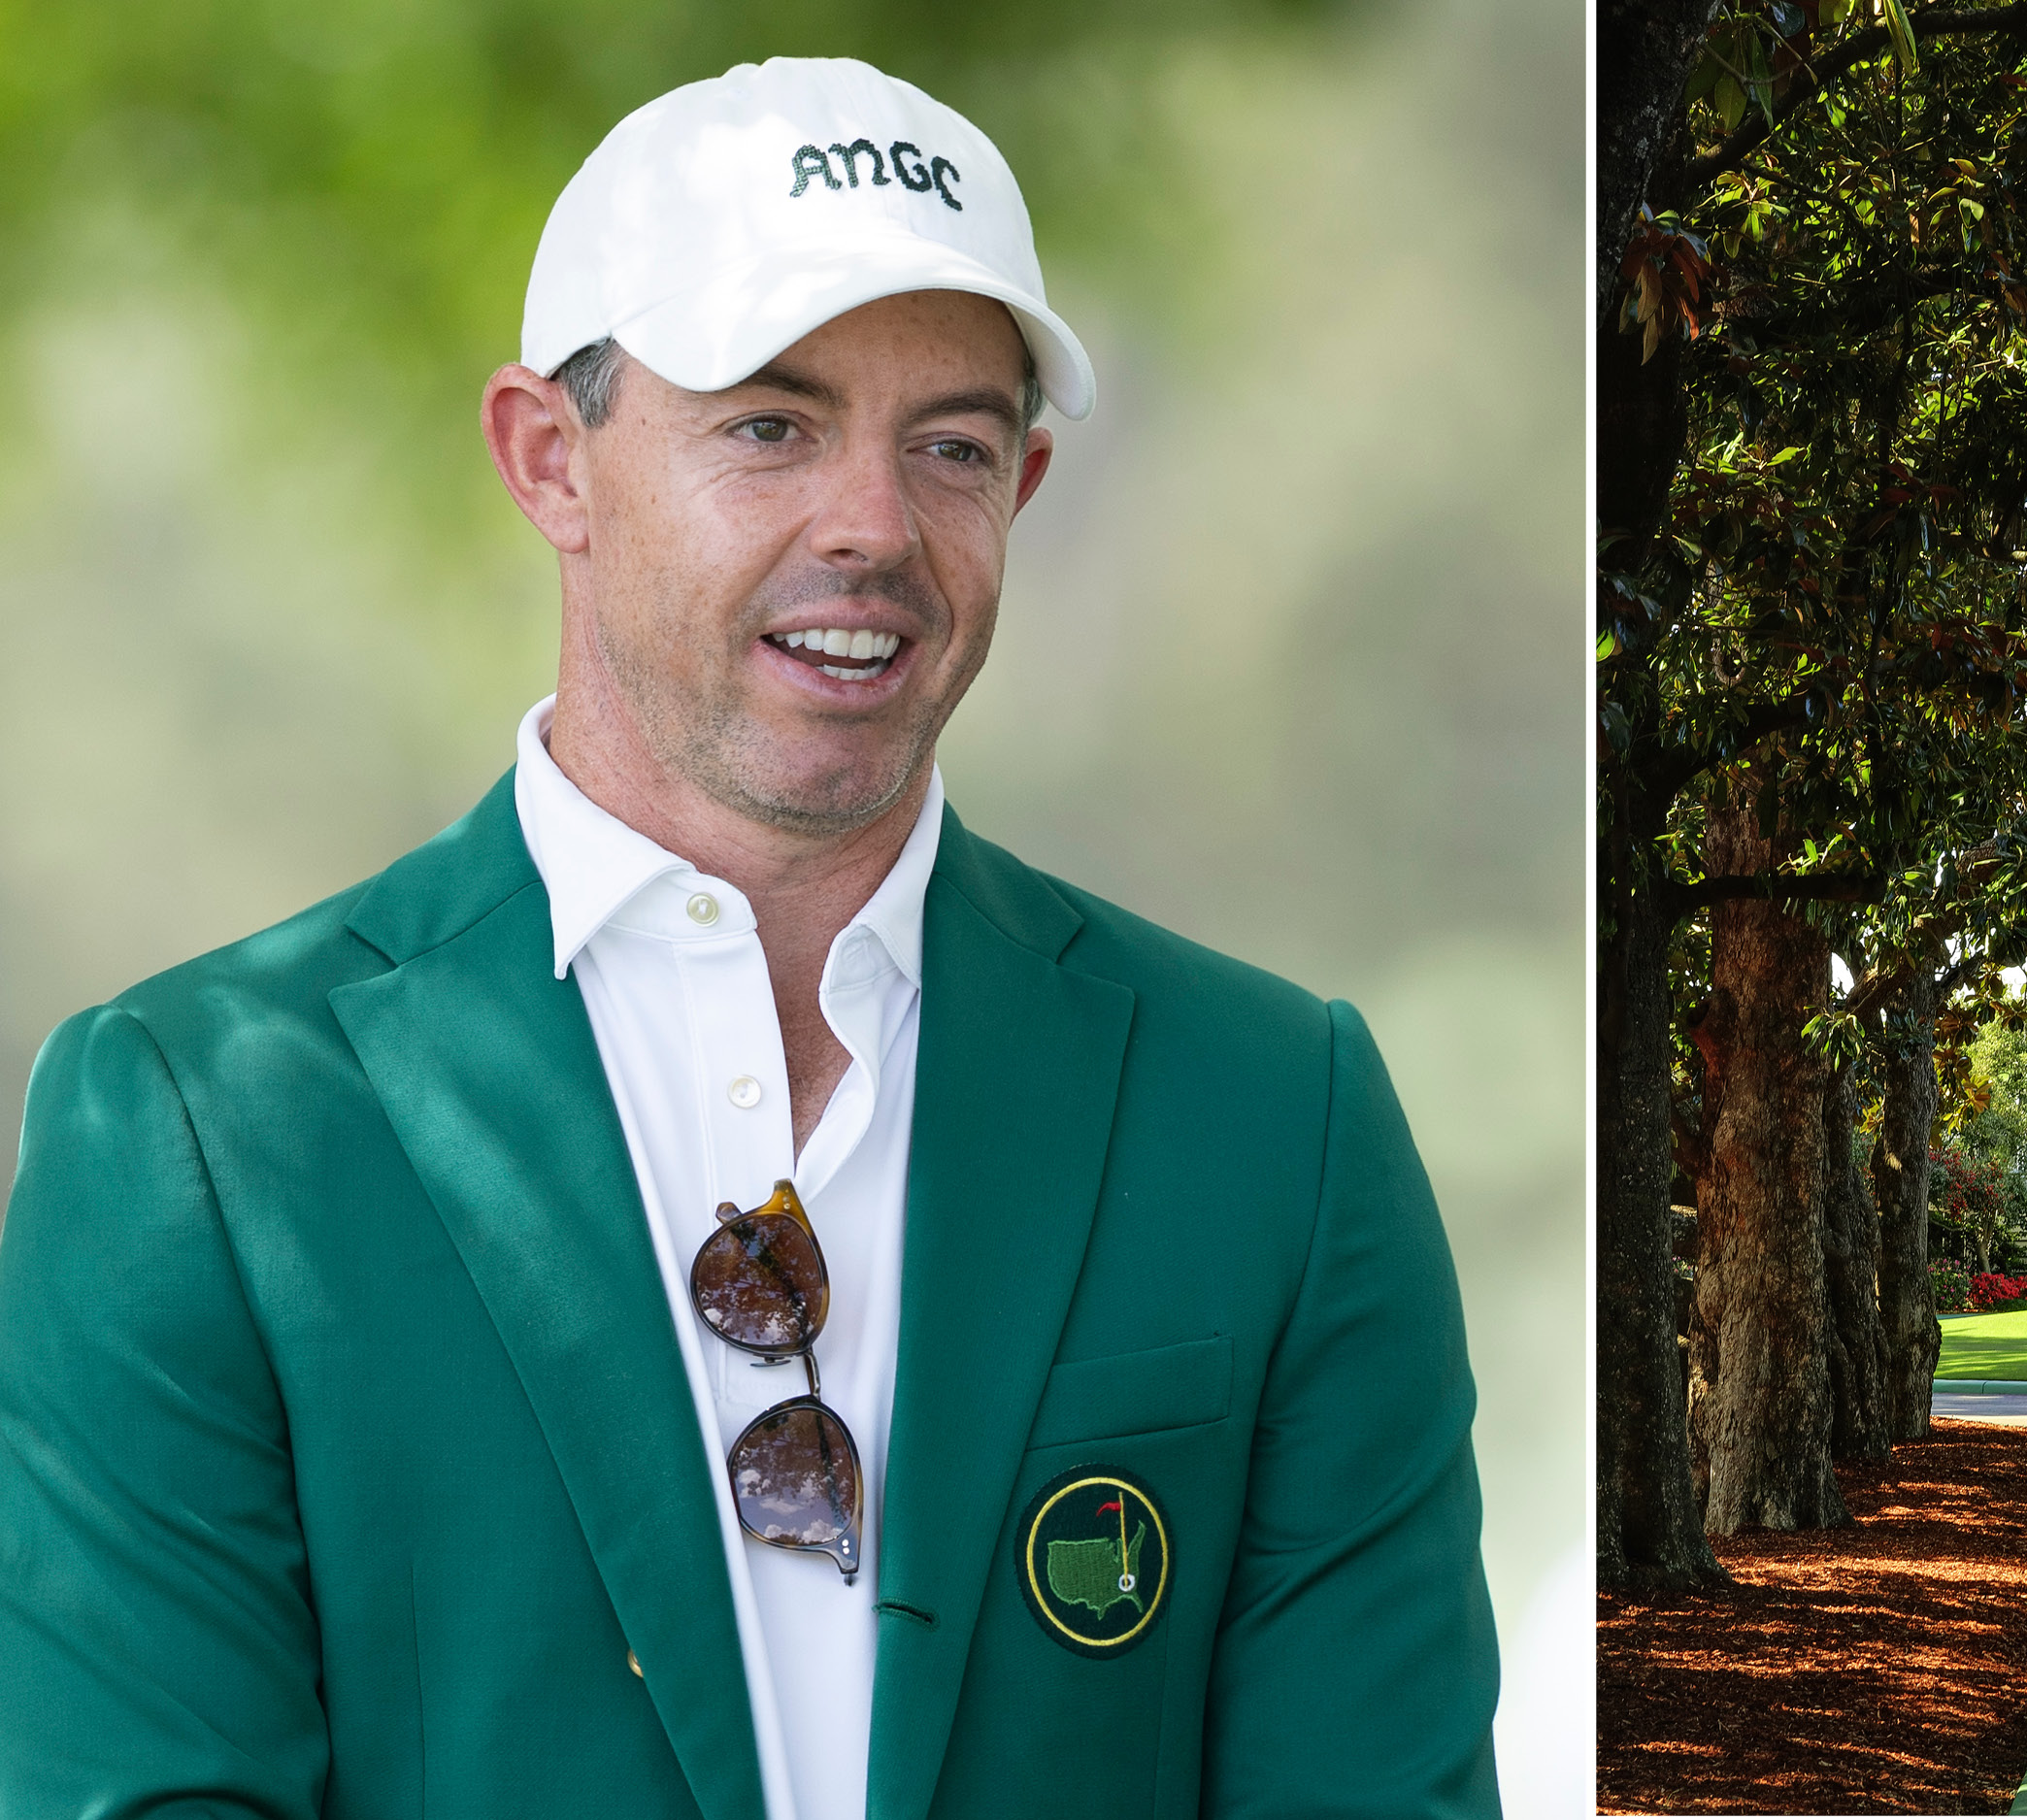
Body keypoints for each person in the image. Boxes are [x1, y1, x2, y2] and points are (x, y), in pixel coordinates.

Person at [0, 57, 1498, 1820]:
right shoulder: (197, 1128)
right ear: (550, 458)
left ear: (1018, 487)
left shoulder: (1272, 1116)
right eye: (768, 426)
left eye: (947, 444)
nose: (871, 523)